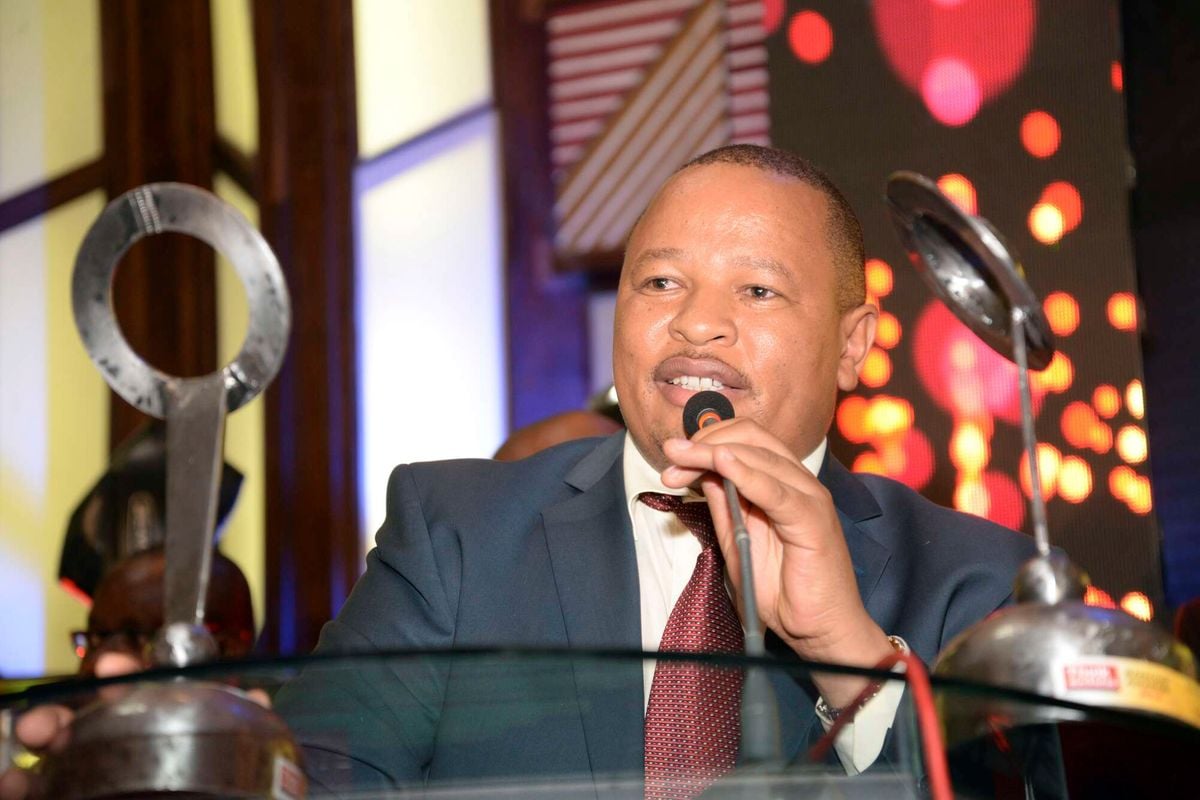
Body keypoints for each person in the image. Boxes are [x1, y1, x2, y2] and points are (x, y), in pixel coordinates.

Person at [1, 144, 1035, 798]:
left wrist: (848, 654)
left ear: (855, 345)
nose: (697, 323)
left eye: (757, 291)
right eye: (659, 282)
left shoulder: (972, 578)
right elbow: (323, 778)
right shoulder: (454, 530)